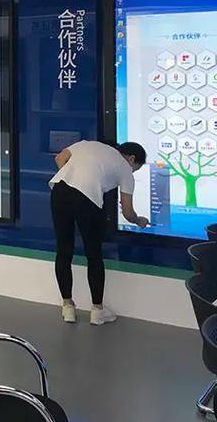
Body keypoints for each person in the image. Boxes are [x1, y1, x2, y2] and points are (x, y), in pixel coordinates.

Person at [49, 140, 149, 326]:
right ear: (132, 159)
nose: (133, 172)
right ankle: (97, 311)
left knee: (64, 250)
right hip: (88, 201)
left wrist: (74, 180)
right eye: (135, 168)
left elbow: (59, 158)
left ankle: (67, 307)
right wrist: (139, 221)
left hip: (60, 192)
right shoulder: (125, 169)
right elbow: (128, 212)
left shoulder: (87, 144)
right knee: (93, 254)